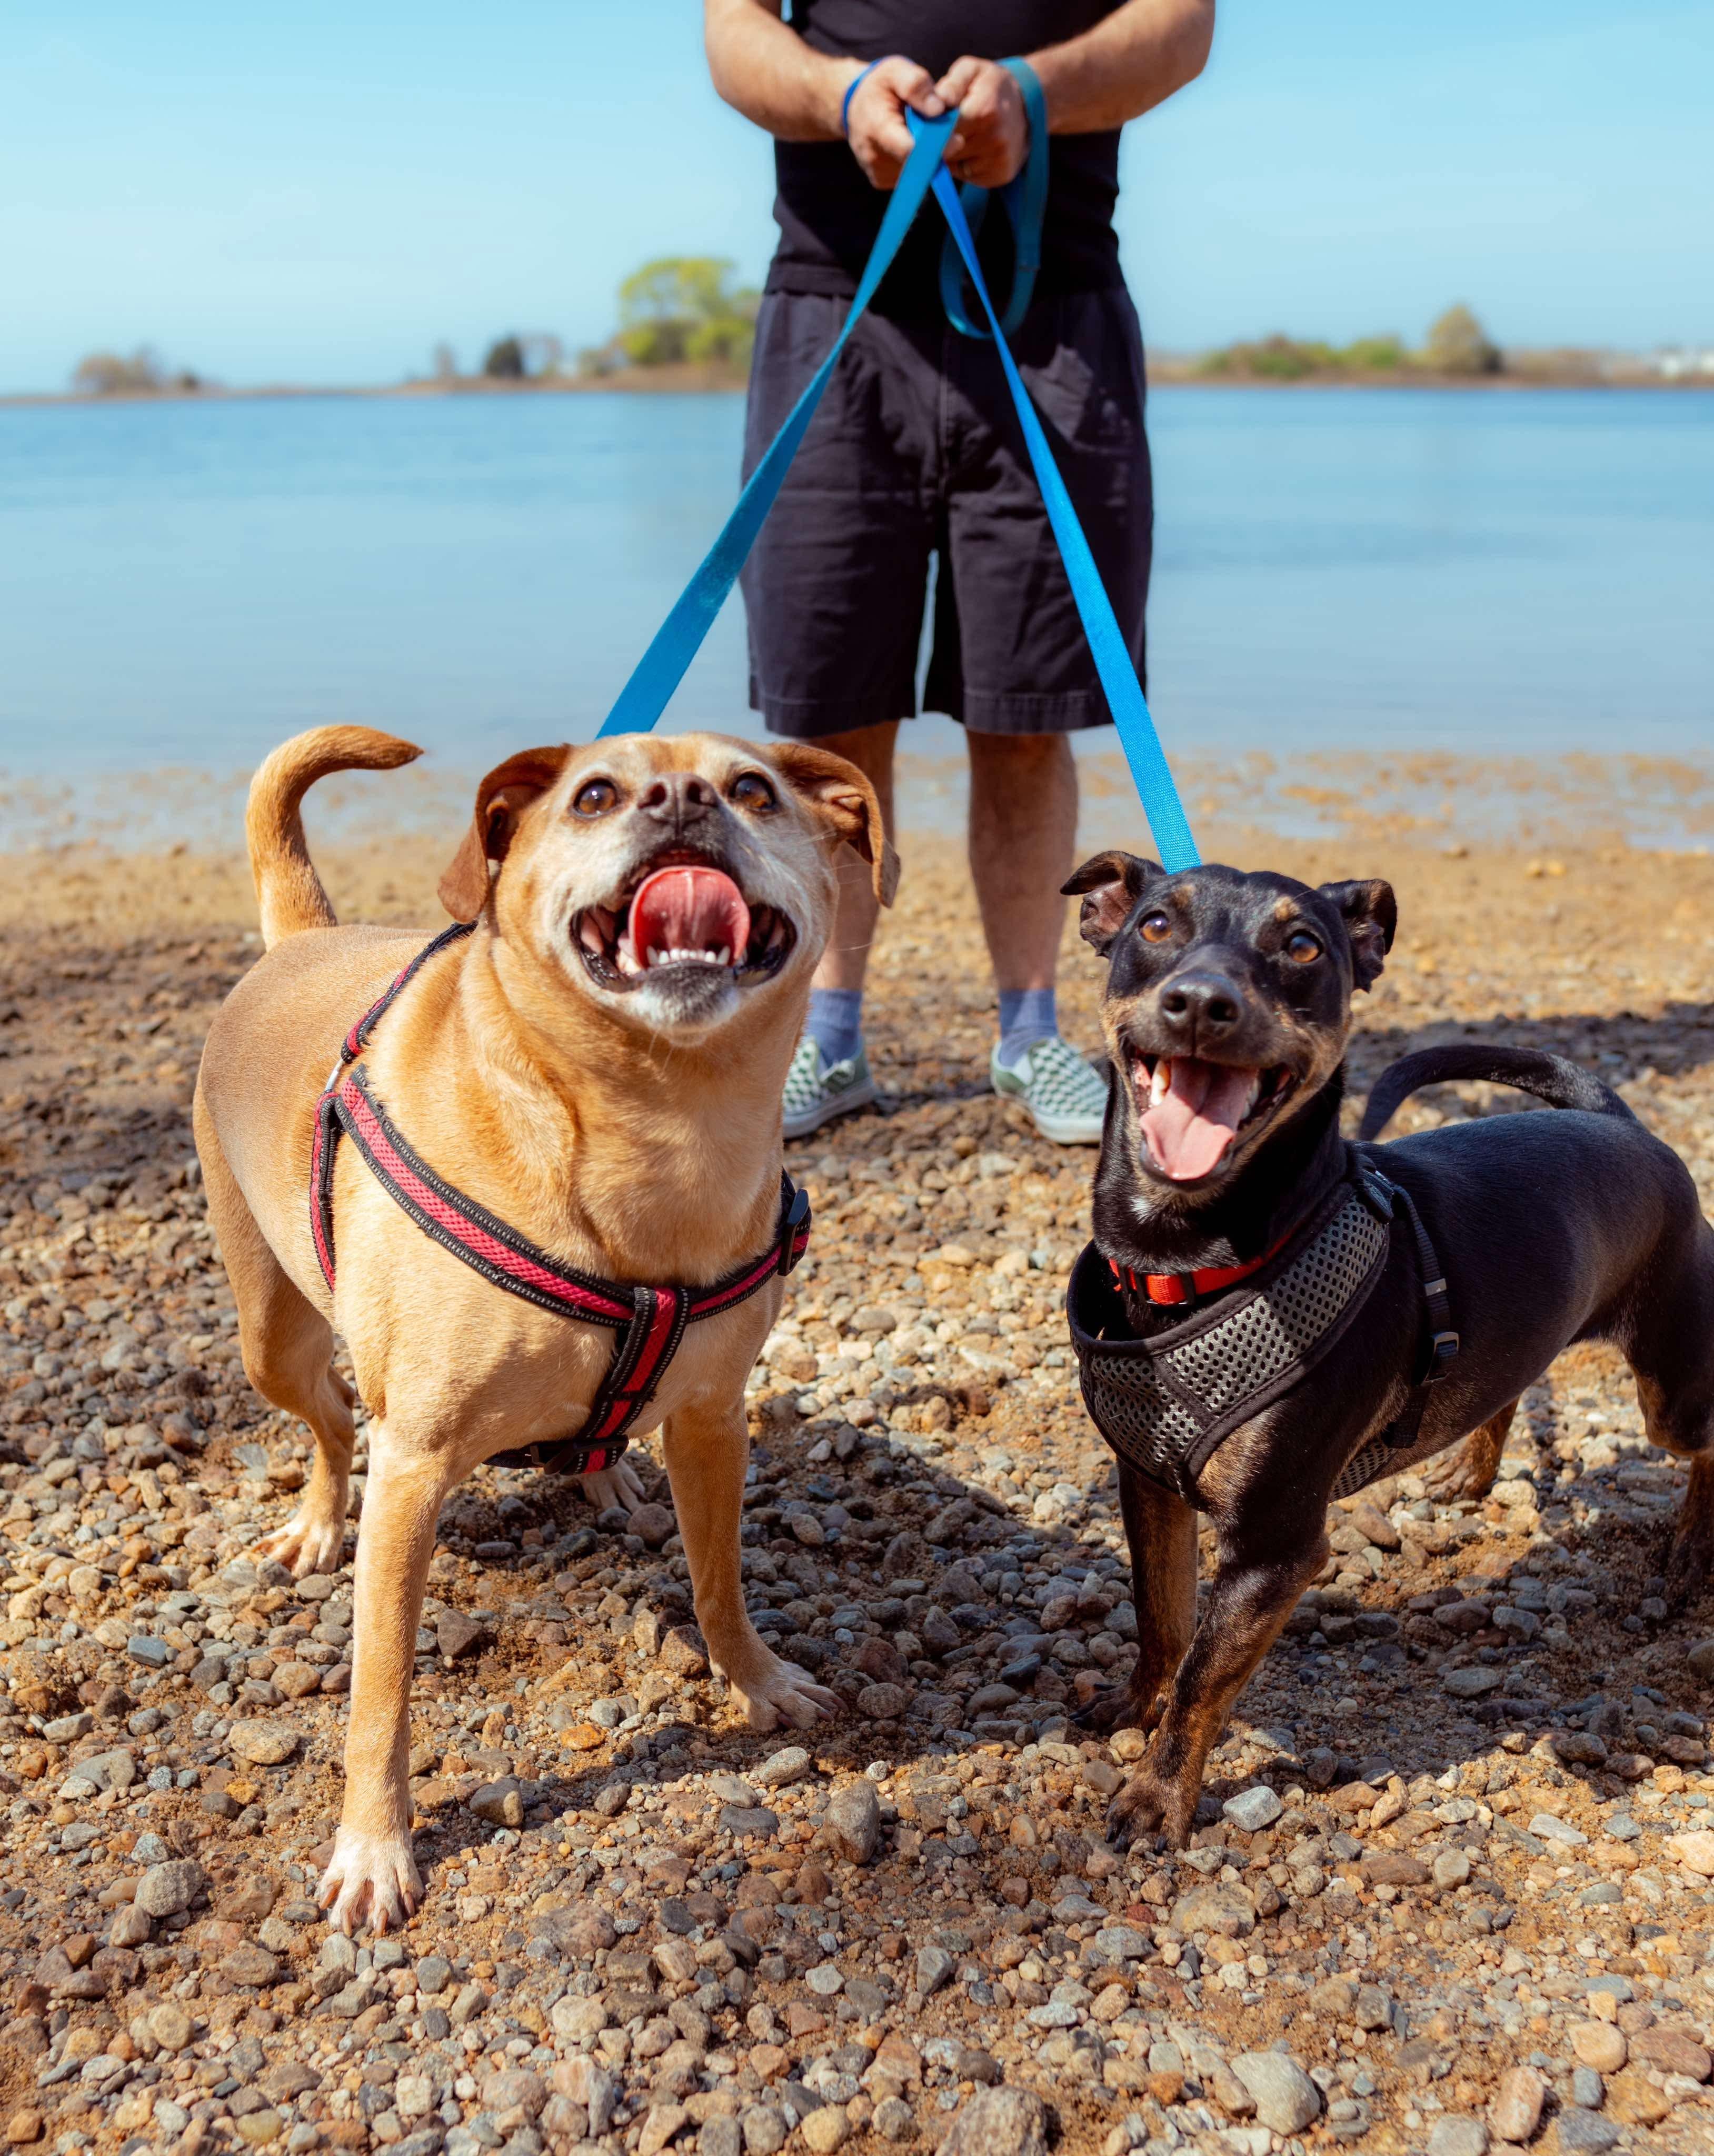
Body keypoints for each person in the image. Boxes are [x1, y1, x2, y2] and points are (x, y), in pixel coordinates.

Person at [705, 0, 1215, 1142]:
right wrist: (841, 95)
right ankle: (824, 1034)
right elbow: (731, 34)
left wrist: (1035, 92)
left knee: (1029, 710)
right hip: (836, 305)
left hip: (1056, 314)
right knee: (828, 710)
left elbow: (1182, 27)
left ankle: (1029, 1036)